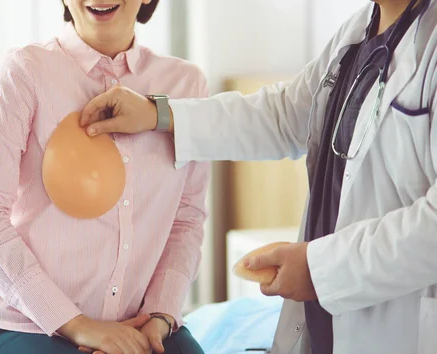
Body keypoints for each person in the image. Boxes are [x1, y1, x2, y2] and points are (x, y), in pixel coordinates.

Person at [79, 0, 437, 353]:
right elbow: (282, 115)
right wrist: (159, 114)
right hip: (330, 318)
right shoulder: (358, 30)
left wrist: (318, 268)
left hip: (402, 321)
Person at [0, 1, 210, 353]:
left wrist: (160, 317)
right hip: (23, 324)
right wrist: (76, 324)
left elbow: (186, 219)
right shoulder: (24, 71)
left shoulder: (186, 85)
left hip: (139, 324)